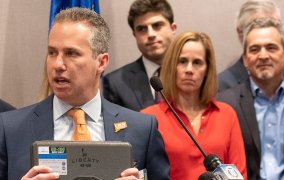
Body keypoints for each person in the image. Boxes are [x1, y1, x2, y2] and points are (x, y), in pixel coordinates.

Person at [0, 8, 170, 180]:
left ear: (101, 62)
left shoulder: (142, 129)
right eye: (52, 52)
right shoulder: (10, 129)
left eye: (71, 53)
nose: (58, 64)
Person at [217, 18, 284, 180]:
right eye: (254, 49)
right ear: (245, 60)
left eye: (271, 48)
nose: (263, 56)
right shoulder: (225, 105)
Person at [141, 32, 247, 180]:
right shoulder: (148, 118)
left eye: (197, 62)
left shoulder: (226, 114)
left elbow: (239, 172)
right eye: (182, 61)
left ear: (207, 69)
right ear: (172, 66)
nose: (189, 69)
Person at [218, 0, 284, 92]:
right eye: (256, 26)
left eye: (275, 25)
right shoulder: (221, 85)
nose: (266, 32)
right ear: (240, 33)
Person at [102, 0, 177, 111]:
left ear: (173, 28)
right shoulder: (115, 83)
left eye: (157, 25)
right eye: (142, 29)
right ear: (134, 34)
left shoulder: (195, 73)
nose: (151, 34)